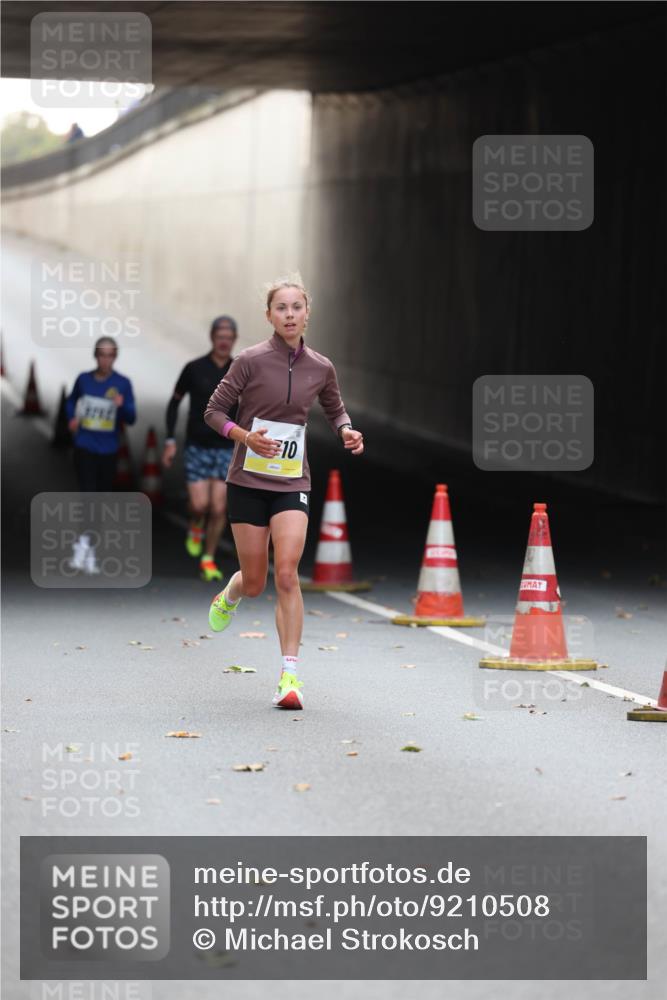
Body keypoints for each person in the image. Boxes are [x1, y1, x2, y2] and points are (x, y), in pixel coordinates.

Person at [203, 275, 364, 711]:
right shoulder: (250, 361)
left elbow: (334, 408)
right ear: (269, 315)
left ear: (307, 312)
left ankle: (289, 676)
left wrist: (347, 431)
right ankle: (232, 592)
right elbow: (214, 411)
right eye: (281, 308)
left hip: (294, 481)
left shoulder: (321, 366)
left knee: (288, 573)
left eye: (297, 307)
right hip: (248, 482)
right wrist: (245, 437)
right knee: (256, 582)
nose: (290, 315)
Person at [161, 316, 238, 582]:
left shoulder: (241, 370)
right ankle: (195, 524)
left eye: (229, 336)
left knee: (218, 509)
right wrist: (170, 440)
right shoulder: (193, 369)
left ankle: (208, 558)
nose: (224, 340)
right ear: (212, 337)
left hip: (227, 448)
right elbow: (174, 403)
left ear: (234, 340)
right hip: (197, 446)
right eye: (220, 335)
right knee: (199, 505)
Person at [66, 337, 136, 491]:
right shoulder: (83, 379)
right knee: (88, 492)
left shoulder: (123, 383)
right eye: (102, 355)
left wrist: (122, 406)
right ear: (95, 356)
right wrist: (71, 418)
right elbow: (71, 401)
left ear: (115, 357)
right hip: (84, 446)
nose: (105, 360)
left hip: (108, 449)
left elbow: (132, 418)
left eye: (110, 355)